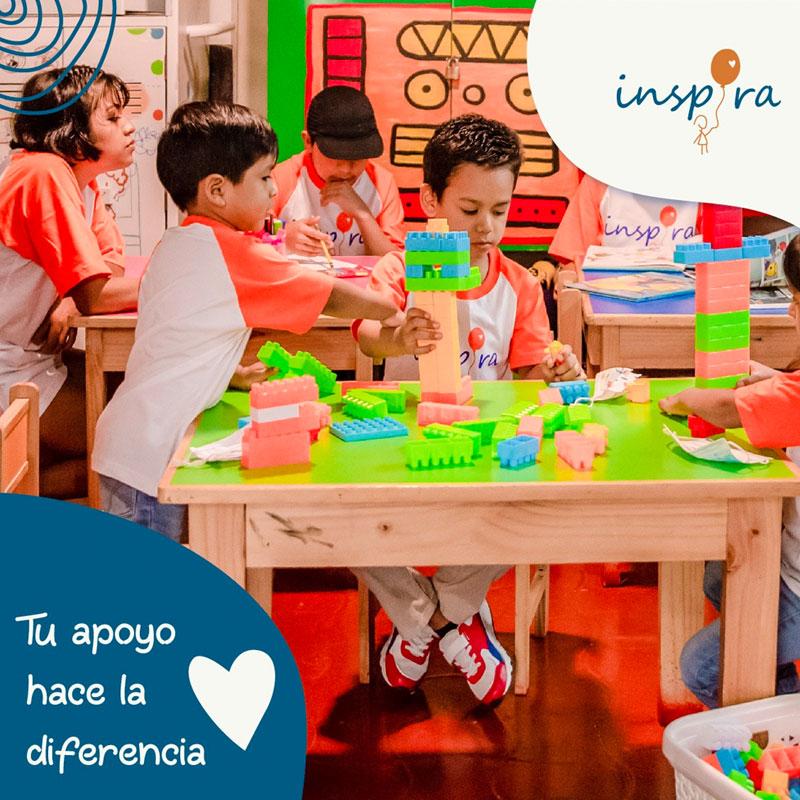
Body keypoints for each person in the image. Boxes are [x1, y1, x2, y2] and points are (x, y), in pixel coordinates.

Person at [352, 114, 583, 706]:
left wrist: (554, 372)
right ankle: (447, 621)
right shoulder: (402, 268)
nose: (486, 228)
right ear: (430, 198)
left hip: (483, 453)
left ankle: (428, 622)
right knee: (347, 521)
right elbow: (367, 334)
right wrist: (397, 335)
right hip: (405, 448)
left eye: (499, 211)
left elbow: (531, 374)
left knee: (526, 507)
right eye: (469, 209)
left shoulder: (519, 284)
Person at [92, 102, 402, 541]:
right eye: (263, 178)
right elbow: (329, 294)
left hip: (135, 440)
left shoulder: (180, 240)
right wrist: (391, 308)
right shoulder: (233, 250)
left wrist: (228, 374)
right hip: (154, 453)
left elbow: (176, 337)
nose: (274, 190)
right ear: (217, 191)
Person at [658, 234, 800, 707]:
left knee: (701, 668)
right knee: (720, 573)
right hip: (788, 566)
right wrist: (776, 382)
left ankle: (779, 724)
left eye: (798, 302)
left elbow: (725, 407)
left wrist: (683, 398)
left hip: (797, 589)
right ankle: (774, 685)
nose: (792, 313)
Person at [0, 65, 140, 498]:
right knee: (137, 435)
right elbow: (97, 291)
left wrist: (73, 297)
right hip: (10, 367)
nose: (129, 127)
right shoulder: (42, 173)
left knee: (133, 393)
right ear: (70, 130)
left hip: (31, 359)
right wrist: (186, 279)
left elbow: (107, 266)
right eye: (112, 119)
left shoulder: (83, 183)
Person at [271, 85, 404, 258]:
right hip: (303, 283)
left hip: (362, 285)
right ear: (308, 141)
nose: (346, 170)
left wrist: (362, 214)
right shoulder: (281, 178)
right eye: (335, 157)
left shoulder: (382, 182)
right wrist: (283, 235)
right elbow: (250, 233)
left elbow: (395, 262)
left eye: (357, 158)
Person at [548, 174, 700, 268]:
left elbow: (718, 260)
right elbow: (571, 262)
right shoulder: (597, 182)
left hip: (687, 306)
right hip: (607, 300)